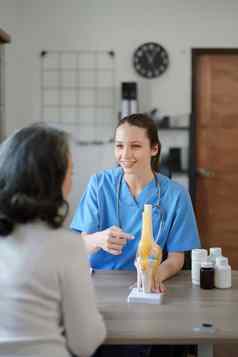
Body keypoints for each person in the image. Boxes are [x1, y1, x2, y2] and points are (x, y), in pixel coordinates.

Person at [0, 124, 106, 357]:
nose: (71, 180)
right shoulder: (66, 245)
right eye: (70, 172)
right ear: (53, 181)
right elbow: (85, 344)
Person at [71, 113, 200, 291]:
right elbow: (81, 244)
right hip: (99, 282)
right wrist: (98, 239)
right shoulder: (99, 184)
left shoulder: (176, 195)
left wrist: (155, 276)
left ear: (154, 148)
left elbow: (176, 257)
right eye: (119, 146)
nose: (125, 154)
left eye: (135, 146)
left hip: (146, 283)